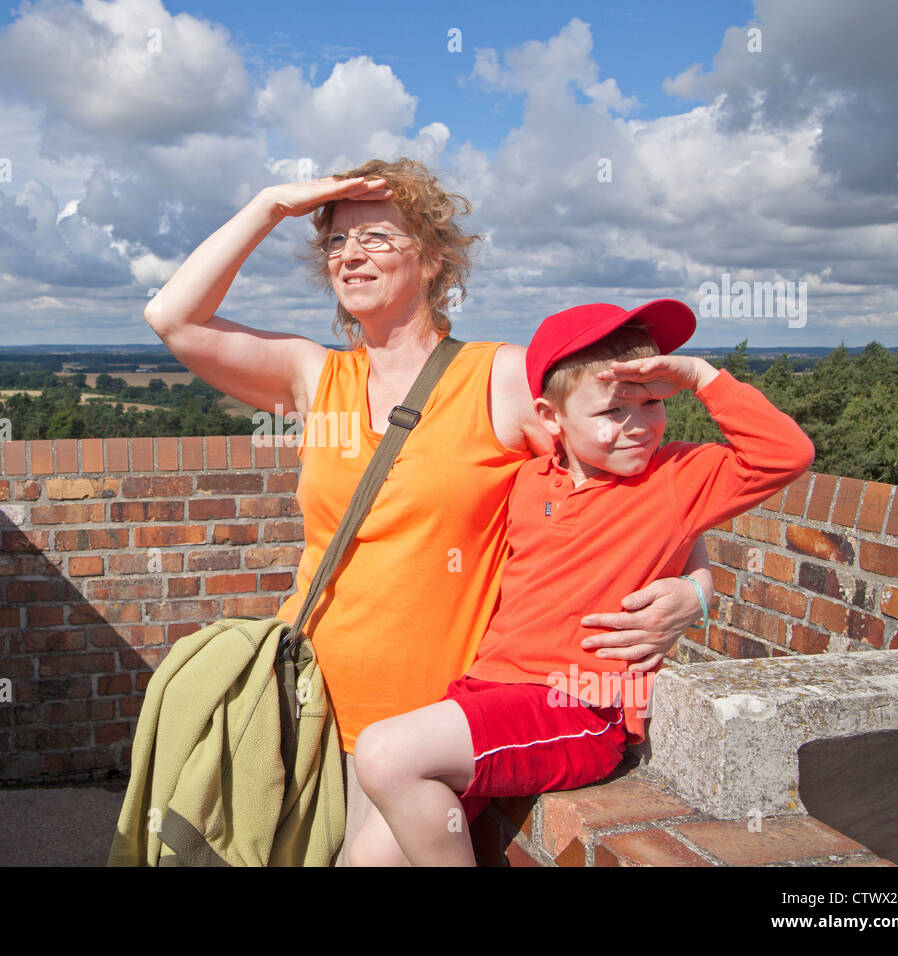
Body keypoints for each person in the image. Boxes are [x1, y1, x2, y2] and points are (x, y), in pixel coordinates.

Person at [141, 157, 714, 865]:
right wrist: (272, 204)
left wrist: (696, 590)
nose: (350, 254)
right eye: (336, 243)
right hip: (307, 706)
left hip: (430, 717)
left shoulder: (499, 380)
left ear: (437, 259)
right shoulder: (315, 379)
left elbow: (640, 481)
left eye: (378, 237)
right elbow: (171, 315)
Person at [349, 299, 816, 865]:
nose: (638, 426)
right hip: (487, 692)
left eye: (652, 402)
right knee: (367, 858)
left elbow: (786, 454)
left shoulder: (677, 475)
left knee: (385, 753)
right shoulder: (528, 479)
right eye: (613, 411)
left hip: (575, 702)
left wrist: (699, 376)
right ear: (551, 418)